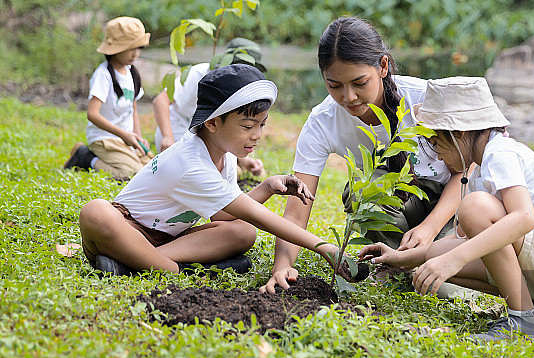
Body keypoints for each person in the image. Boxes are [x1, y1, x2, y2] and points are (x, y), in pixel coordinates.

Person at [358, 77, 534, 341]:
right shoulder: (482, 167)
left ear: (459, 133)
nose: (438, 155)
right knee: (433, 262)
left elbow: (524, 219)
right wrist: (399, 258)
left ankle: (524, 321)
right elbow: (460, 241)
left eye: (436, 142)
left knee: (473, 209)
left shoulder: (501, 153)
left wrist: (456, 258)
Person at [79, 64, 348, 278]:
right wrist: (325, 248)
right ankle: (170, 269)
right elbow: (259, 216)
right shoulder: (191, 162)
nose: (257, 135)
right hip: (126, 229)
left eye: (261, 125)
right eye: (247, 126)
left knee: (243, 232)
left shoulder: (225, 158)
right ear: (212, 123)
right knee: (96, 211)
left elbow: (222, 214)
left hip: (171, 239)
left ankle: (137, 262)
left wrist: (266, 187)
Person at [262, 16, 465, 294]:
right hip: (400, 212)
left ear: (382, 66)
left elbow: (465, 172)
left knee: (443, 283)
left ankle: (418, 260)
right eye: (334, 86)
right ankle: (397, 263)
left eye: (359, 83)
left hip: (451, 210)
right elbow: (297, 210)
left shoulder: (424, 98)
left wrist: (429, 230)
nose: (349, 97)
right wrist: (281, 266)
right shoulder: (323, 121)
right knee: (362, 190)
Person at [153, 37, 267, 176]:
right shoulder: (199, 73)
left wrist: (246, 161)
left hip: (207, 138)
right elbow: (160, 101)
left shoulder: (237, 89)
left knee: (231, 170)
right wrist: (167, 137)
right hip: (179, 129)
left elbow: (226, 131)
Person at [64, 16, 153, 181]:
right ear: (115, 49)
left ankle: (121, 156)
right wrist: (124, 135)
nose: (135, 53)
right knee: (130, 175)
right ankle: (84, 156)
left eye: (138, 47)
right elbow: (92, 114)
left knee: (152, 168)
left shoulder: (132, 73)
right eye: (130, 48)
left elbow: (132, 107)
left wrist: (137, 136)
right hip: (104, 138)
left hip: (126, 138)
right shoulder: (103, 75)